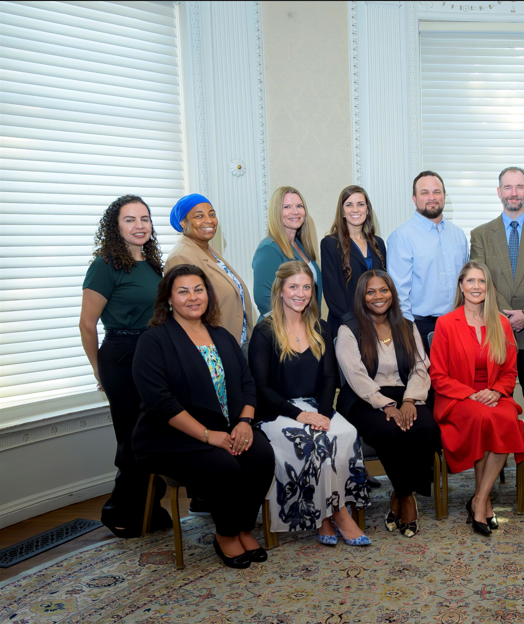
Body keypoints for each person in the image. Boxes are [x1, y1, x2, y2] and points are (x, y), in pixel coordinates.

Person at [132, 264, 275, 569]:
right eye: (182, 291)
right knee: (223, 465)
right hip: (171, 436)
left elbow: (247, 383)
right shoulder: (154, 341)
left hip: (226, 427)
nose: (192, 297)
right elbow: (161, 402)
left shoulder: (221, 336)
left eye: (198, 290)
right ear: (169, 299)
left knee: (261, 454)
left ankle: (242, 528)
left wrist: (244, 422)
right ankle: (224, 535)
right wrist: (209, 436)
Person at [249, 261, 370, 546]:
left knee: (345, 432)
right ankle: (334, 514)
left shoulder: (321, 327)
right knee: (313, 439)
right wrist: (301, 416)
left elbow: (330, 378)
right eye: (293, 287)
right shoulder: (264, 331)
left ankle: (328, 513)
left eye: (306, 287)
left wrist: (324, 414)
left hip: (316, 405)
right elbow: (261, 388)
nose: (300, 293)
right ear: (280, 290)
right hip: (277, 411)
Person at [79, 194, 169, 537]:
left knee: (153, 435)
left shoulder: (151, 265)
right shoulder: (105, 265)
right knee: (132, 438)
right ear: (115, 227)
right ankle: (120, 511)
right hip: (121, 354)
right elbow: (87, 324)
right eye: (130, 219)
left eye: (144, 218)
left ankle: (150, 507)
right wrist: (97, 369)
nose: (139, 225)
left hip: (151, 353)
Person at [335, 270, 438, 538]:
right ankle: (406, 498)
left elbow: (419, 367)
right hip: (365, 398)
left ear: (392, 293)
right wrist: (387, 406)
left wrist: (409, 401)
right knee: (388, 430)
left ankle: (397, 491)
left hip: (407, 393)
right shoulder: (348, 329)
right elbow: (355, 376)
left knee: (425, 426)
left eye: (384, 290)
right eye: (371, 292)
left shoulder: (407, 325)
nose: (378, 296)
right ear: (362, 296)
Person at [430, 261, 524, 537]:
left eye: (481, 281)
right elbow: (438, 376)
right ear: (461, 286)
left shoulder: (500, 323)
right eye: (470, 281)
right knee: (485, 417)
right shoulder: (446, 323)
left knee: (507, 418)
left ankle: (479, 498)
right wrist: (471, 394)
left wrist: (496, 391)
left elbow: (510, 371)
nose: (476, 287)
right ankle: (482, 503)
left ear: (488, 287)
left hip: (494, 393)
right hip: (457, 397)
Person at [470, 166, 524, 399]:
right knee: (495, 399)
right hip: (493, 328)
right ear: (498, 192)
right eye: (508, 187)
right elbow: (481, 281)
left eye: (519, 187)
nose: (514, 192)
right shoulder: (480, 234)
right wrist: (505, 317)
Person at [387, 171, 469, 351]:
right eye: (424, 193)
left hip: (458, 325)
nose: (432, 197)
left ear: (444, 196)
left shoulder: (458, 235)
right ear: (414, 199)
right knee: (426, 380)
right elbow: (399, 292)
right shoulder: (402, 237)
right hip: (421, 329)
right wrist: (408, 332)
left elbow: (466, 282)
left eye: (437, 192)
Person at [165, 194, 256, 344]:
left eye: (212, 214)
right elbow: (187, 313)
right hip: (210, 348)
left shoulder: (210, 251)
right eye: (199, 216)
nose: (209, 220)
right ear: (183, 223)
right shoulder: (181, 257)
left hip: (235, 343)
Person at [321, 185, 387, 337]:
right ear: (342, 211)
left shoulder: (378, 244)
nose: (355, 209)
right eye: (349, 205)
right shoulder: (330, 244)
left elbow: (384, 286)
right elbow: (332, 292)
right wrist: (355, 324)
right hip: (346, 326)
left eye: (360, 204)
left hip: (377, 323)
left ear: (367, 209)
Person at [252, 186, 321, 317]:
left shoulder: (301, 246)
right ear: (276, 212)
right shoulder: (269, 248)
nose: (295, 211)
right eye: (287, 207)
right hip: (281, 331)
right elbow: (265, 302)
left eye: (299, 206)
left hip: (307, 327)